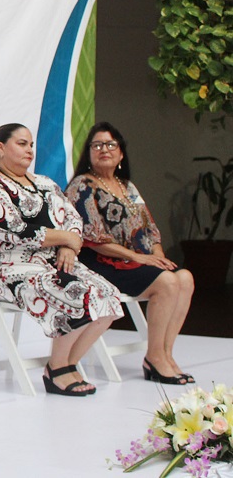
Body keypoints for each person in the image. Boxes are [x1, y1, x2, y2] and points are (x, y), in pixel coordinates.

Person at [0, 123, 123, 396]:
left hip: (54, 261)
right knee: (77, 293)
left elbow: (73, 218)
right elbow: (17, 230)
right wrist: (65, 238)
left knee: (109, 297)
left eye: (31, 144)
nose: (29, 149)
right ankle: (59, 370)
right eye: (22, 143)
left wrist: (69, 248)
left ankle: (65, 365)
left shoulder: (44, 183)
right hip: (12, 268)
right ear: (0, 148)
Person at [66, 122, 195, 385]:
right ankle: (154, 358)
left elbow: (149, 228)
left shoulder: (128, 187)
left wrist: (158, 256)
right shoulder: (83, 185)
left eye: (110, 144)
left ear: (121, 153)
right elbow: (93, 238)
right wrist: (139, 257)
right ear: (88, 153)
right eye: (97, 145)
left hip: (132, 260)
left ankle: (165, 354)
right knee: (167, 283)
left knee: (184, 278)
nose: (104, 149)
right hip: (99, 262)